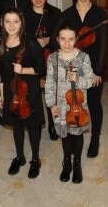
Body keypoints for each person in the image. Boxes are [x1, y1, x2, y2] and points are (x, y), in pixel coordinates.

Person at [57, 0, 108, 158]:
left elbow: (103, 44)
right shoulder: (67, 14)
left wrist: (98, 71)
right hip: (71, 68)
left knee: (94, 103)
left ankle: (95, 138)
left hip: (93, 68)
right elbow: (61, 43)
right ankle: (73, 136)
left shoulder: (99, 15)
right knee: (74, 103)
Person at [0, 7, 45, 179]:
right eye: (7, 21)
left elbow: (41, 68)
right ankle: (20, 157)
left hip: (28, 90)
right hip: (10, 91)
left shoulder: (30, 43)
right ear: (2, 23)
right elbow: (1, 72)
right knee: (16, 125)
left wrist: (23, 69)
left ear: (21, 23)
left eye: (15, 21)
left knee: (32, 126)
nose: (11, 25)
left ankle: (35, 160)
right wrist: (0, 95)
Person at [45, 21, 94, 184]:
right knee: (65, 136)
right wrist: (51, 104)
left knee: (77, 134)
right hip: (60, 105)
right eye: (63, 39)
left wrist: (78, 79)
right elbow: (49, 83)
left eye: (71, 39)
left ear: (76, 39)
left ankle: (77, 163)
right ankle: (66, 163)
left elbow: (90, 81)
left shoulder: (83, 57)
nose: (67, 43)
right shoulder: (52, 59)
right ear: (57, 39)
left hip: (78, 106)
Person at [23, 0, 61, 141]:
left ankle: (52, 123)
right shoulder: (23, 13)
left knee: (50, 91)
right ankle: (36, 121)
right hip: (30, 59)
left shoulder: (55, 12)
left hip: (50, 57)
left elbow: (60, 36)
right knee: (32, 92)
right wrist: (32, 42)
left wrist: (48, 41)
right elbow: (19, 36)